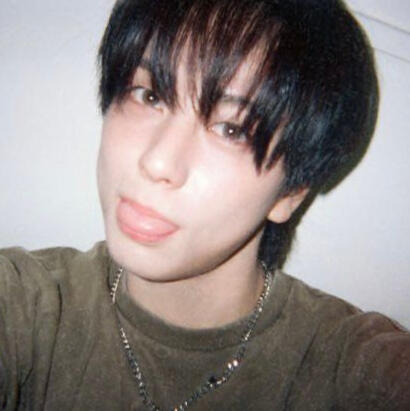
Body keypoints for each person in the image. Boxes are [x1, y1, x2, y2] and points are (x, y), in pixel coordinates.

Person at [1, 0, 409, 409]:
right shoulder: (29, 306)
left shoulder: (349, 366)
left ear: (290, 193)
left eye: (231, 129)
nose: (157, 162)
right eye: (149, 95)